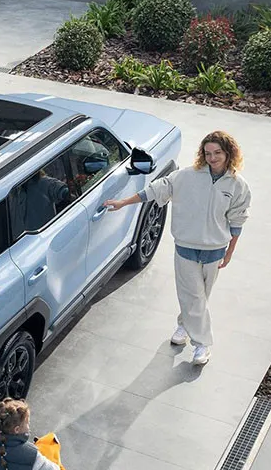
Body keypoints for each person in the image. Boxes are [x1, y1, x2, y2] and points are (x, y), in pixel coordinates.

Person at [103, 131, 252, 366]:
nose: (212, 158)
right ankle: (202, 344)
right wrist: (123, 202)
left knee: (200, 296)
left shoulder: (238, 185)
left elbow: (237, 222)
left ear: (228, 153)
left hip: (215, 249)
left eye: (217, 153)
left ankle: (184, 325)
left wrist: (230, 252)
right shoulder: (187, 176)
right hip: (186, 246)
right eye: (208, 153)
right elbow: (156, 190)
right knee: (194, 295)